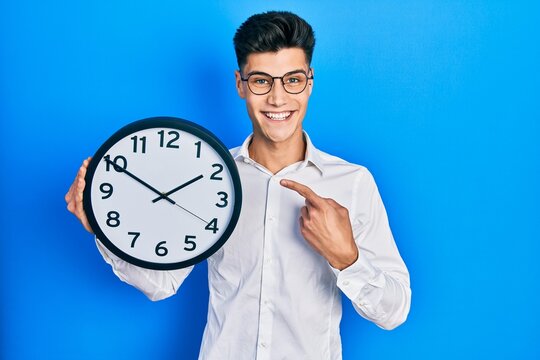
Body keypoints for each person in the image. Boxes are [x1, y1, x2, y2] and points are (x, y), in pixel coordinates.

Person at [65, 10, 411, 360]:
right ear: (240, 84)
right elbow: (161, 284)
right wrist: (101, 229)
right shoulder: (205, 177)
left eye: (292, 80)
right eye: (262, 81)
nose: (278, 98)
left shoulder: (352, 183)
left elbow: (394, 312)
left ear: (310, 82)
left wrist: (346, 258)